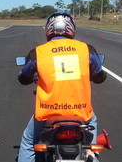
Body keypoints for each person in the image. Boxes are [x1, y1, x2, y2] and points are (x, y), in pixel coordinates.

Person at [17, 11, 107, 162]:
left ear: (49, 29)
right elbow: (100, 76)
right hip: (80, 111)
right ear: (71, 28)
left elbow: (23, 78)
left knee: (28, 141)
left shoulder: (37, 53)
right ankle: (91, 153)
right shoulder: (87, 49)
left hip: (48, 113)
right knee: (92, 120)